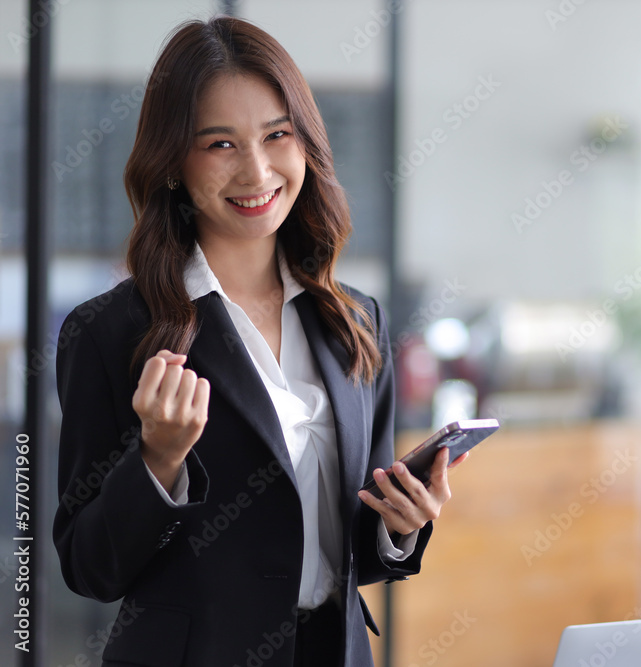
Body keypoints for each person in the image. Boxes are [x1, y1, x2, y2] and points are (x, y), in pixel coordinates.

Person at [52, 15, 464, 667]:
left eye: (278, 135)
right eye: (220, 144)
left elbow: (348, 541)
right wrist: (158, 460)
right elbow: (89, 566)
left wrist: (399, 526)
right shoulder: (108, 332)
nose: (258, 169)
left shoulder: (355, 320)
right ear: (170, 164)